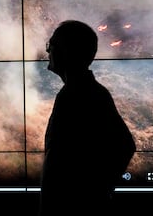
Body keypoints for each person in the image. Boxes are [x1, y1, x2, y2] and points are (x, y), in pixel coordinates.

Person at [39, 20, 136, 216]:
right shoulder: (85, 91)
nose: (48, 52)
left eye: (51, 46)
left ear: (65, 51)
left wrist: (94, 193)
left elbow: (125, 145)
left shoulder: (78, 94)